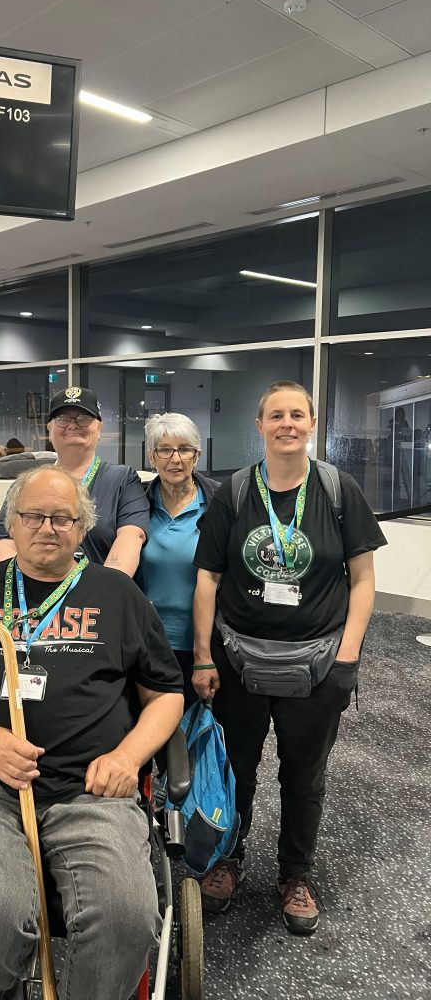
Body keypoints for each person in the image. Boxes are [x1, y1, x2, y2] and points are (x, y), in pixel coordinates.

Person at [0, 466, 184, 1000]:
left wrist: (129, 758)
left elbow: (166, 695)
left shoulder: (119, 595)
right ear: (11, 525)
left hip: (91, 788)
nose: (47, 527)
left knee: (128, 917)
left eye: (63, 518)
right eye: (33, 516)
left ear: (83, 529)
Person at [192, 380, 386, 935]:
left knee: (304, 775)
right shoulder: (233, 493)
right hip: (238, 660)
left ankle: (295, 875)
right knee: (238, 771)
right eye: (275, 415)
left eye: (297, 415)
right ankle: (229, 859)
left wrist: (347, 657)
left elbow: (363, 579)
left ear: (312, 423)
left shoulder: (337, 489)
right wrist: (204, 656)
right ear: (259, 426)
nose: (287, 424)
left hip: (318, 660)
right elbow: (208, 577)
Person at [0, 387, 149, 576]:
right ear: (49, 428)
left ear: (99, 428)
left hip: (99, 598)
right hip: (36, 600)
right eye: (63, 419)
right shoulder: (28, 482)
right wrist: (25, 589)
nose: (73, 425)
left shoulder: (122, 479)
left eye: (84, 419)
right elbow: (4, 542)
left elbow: (131, 537)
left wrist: (104, 591)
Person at [135, 413, 219, 709]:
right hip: (149, 643)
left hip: (206, 644)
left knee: (199, 736)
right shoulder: (136, 506)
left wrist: (204, 655)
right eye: (165, 450)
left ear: (197, 456)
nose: (175, 459)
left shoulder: (218, 502)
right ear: (151, 456)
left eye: (185, 449)